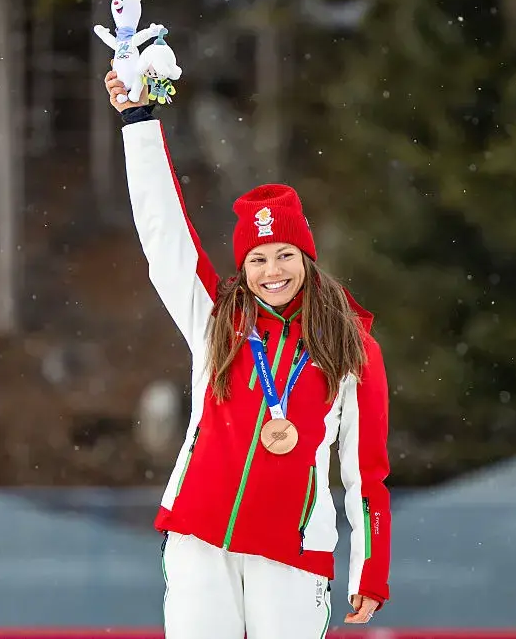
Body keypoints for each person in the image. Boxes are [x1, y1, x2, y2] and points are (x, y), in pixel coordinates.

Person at [104, 65, 392, 639]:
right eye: (258, 259)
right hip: (198, 537)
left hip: (289, 553)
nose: (271, 271)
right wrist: (138, 121)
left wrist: (370, 569)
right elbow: (165, 235)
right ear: (244, 268)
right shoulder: (218, 321)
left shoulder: (353, 347)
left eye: (284, 254)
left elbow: (365, 474)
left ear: (306, 257)